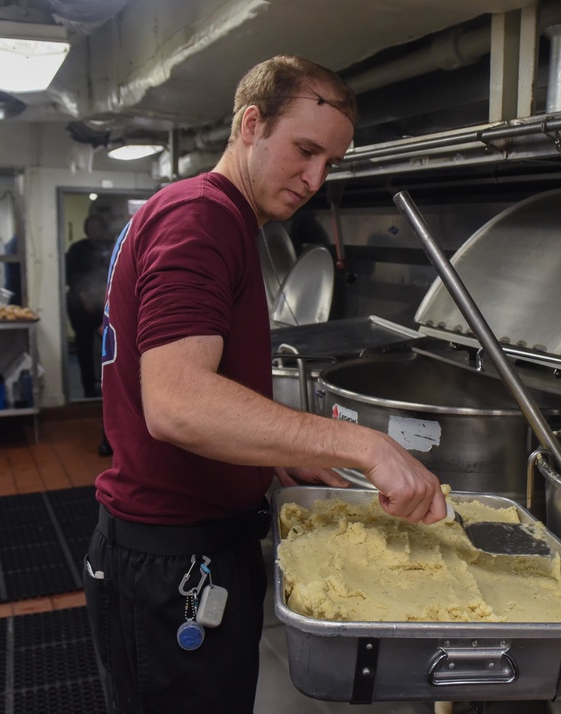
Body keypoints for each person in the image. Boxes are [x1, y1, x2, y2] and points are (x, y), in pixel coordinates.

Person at [84, 55, 447, 713]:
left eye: (330, 164)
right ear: (251, 124)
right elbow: (177, 402)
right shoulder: (202, 219)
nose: (313, 179)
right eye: (304, 150)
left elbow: (188, 388)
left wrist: (283, 450)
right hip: (170, 563)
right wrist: (360, 444)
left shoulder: (207, 215)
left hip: (186, 548)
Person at [66, 213, 112, 398]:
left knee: (109, 345)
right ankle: (87, 387)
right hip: (79, 304)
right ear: (86, 229)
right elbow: (72, 277)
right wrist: (85, 299)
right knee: (84, 345)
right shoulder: (77, 249)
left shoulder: (109, 247)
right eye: (91, 227)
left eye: (98, 227)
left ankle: (107, 385)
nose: (94, 231)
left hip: (103, 304)